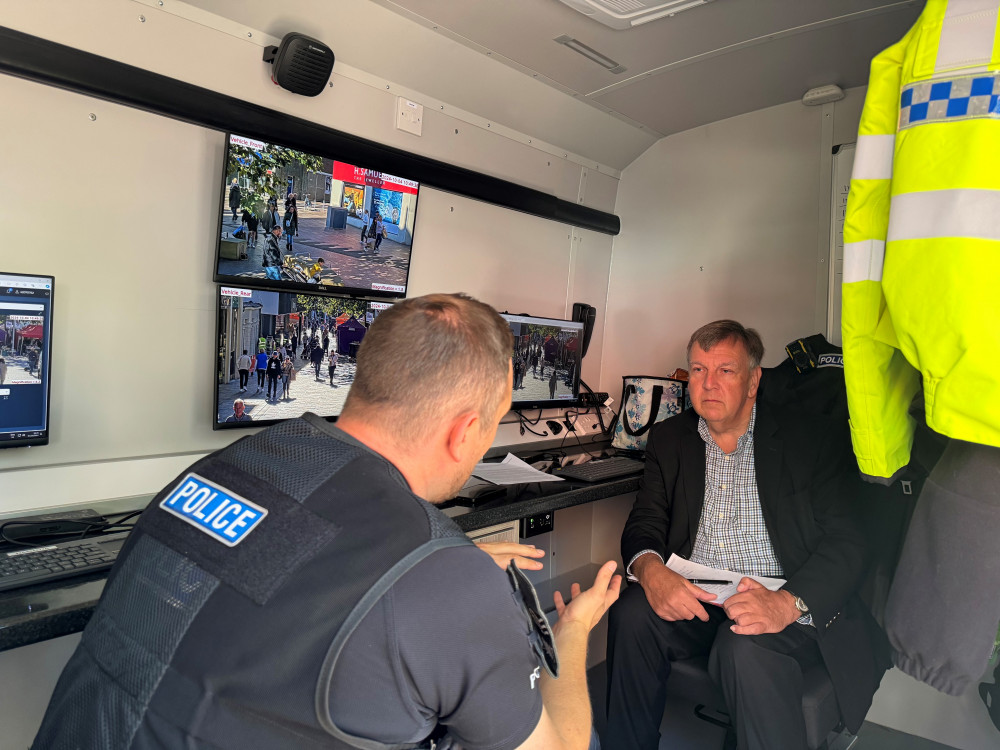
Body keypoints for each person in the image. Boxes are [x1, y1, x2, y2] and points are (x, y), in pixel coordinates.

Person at [32, 293, 620, 750]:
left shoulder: (224, 468)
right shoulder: (448, 585)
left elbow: (282, 564)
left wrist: (437, 580)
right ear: (467, 431)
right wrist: (568, 634)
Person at [604, 320, 888, 750]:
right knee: (631, 612)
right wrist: (649, 570)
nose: (709, 384)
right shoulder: (671, 438)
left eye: (726, 370)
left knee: (744, 649)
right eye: (698, 370)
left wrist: (785, 603)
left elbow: (849, 541)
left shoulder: (810, 437)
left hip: (780, 594)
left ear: (754, 380)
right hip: (699, 595)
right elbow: (645, 521)